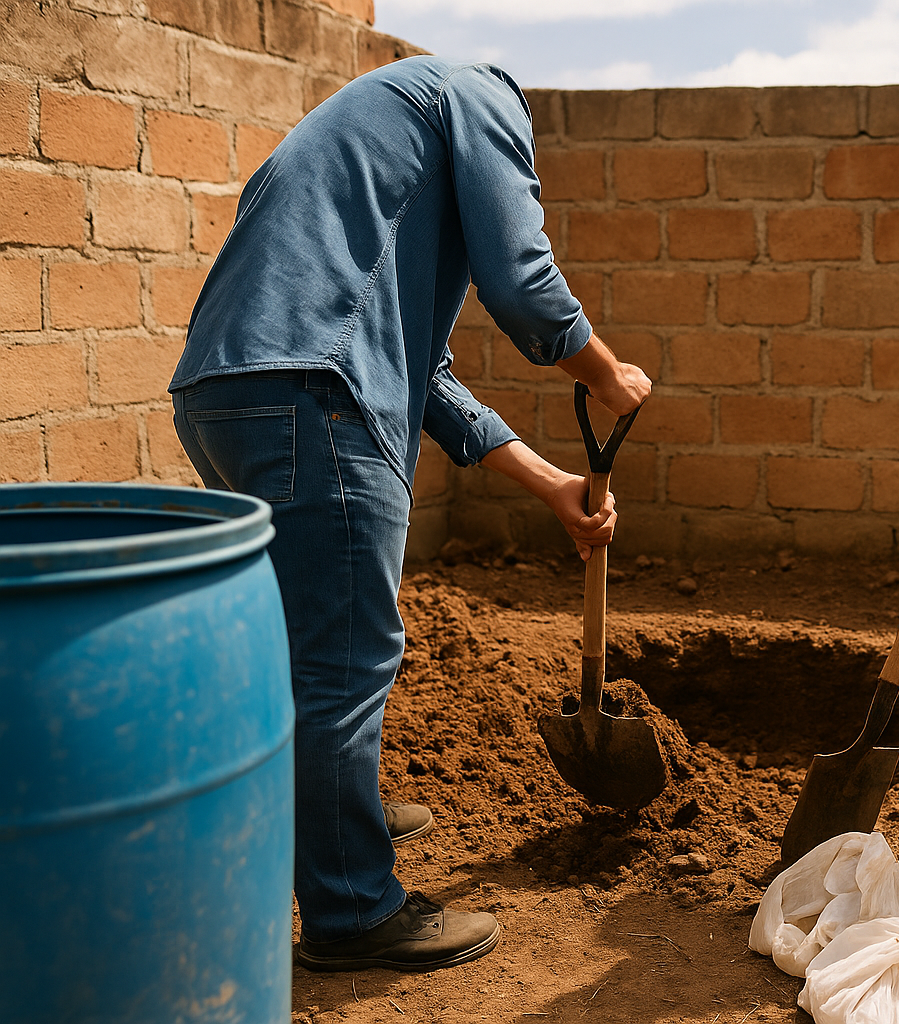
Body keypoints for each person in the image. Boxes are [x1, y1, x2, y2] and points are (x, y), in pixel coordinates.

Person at [168, 56, 650, 972]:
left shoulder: (355, 153)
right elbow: (523, 276)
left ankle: (330, 822)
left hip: (222, 393)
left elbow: (424, 376)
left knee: (300, 639)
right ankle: (353, 909)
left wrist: (553, 484)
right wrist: (605, 372)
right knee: (347, 656)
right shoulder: (484, 100)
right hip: (318, 396)